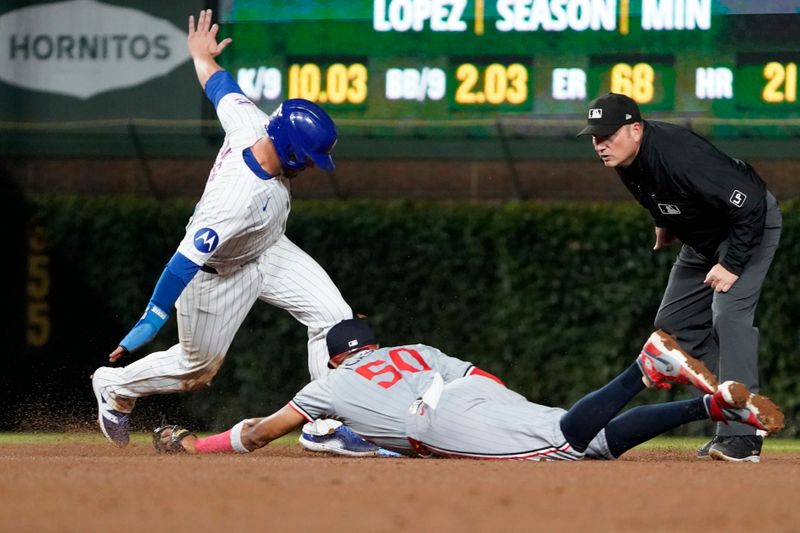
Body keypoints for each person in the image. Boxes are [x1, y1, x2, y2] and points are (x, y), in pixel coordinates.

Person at [91, 9, 352, 447]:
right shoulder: (234, 200)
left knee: (334, 319)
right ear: (290, 150)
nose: (311, 167)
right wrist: (151, 320)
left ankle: (323, 423)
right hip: (218, 275)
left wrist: (201, 56)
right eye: (308, 158)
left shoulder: (253, 123)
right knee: (197, 370)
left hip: (268, 249)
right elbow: (183, 262)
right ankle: (114, 388)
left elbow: (221, 87)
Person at [152, 319, 783, 462]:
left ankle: (642, 370)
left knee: (564, 445)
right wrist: (504, 414)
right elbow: (481, 378)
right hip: (469, 395)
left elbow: (259, 433)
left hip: (440, 422)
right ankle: (708, 405)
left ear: (338, 355)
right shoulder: (413, 351)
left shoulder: (329, 384)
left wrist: (194, 447)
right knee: (587, 444)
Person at [576, 93, 782, 462]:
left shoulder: (680, 155)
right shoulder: (626, 159)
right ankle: (731, 413)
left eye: (608, 135)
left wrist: (732, 264)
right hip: (701, 237)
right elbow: (656, 194)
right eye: (595, 136)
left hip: (747, 229)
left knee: (728, 315)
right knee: (675, 327)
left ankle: (743, 435)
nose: (601, 144)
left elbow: (749, 202)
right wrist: (664, 224)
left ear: (636, 130)